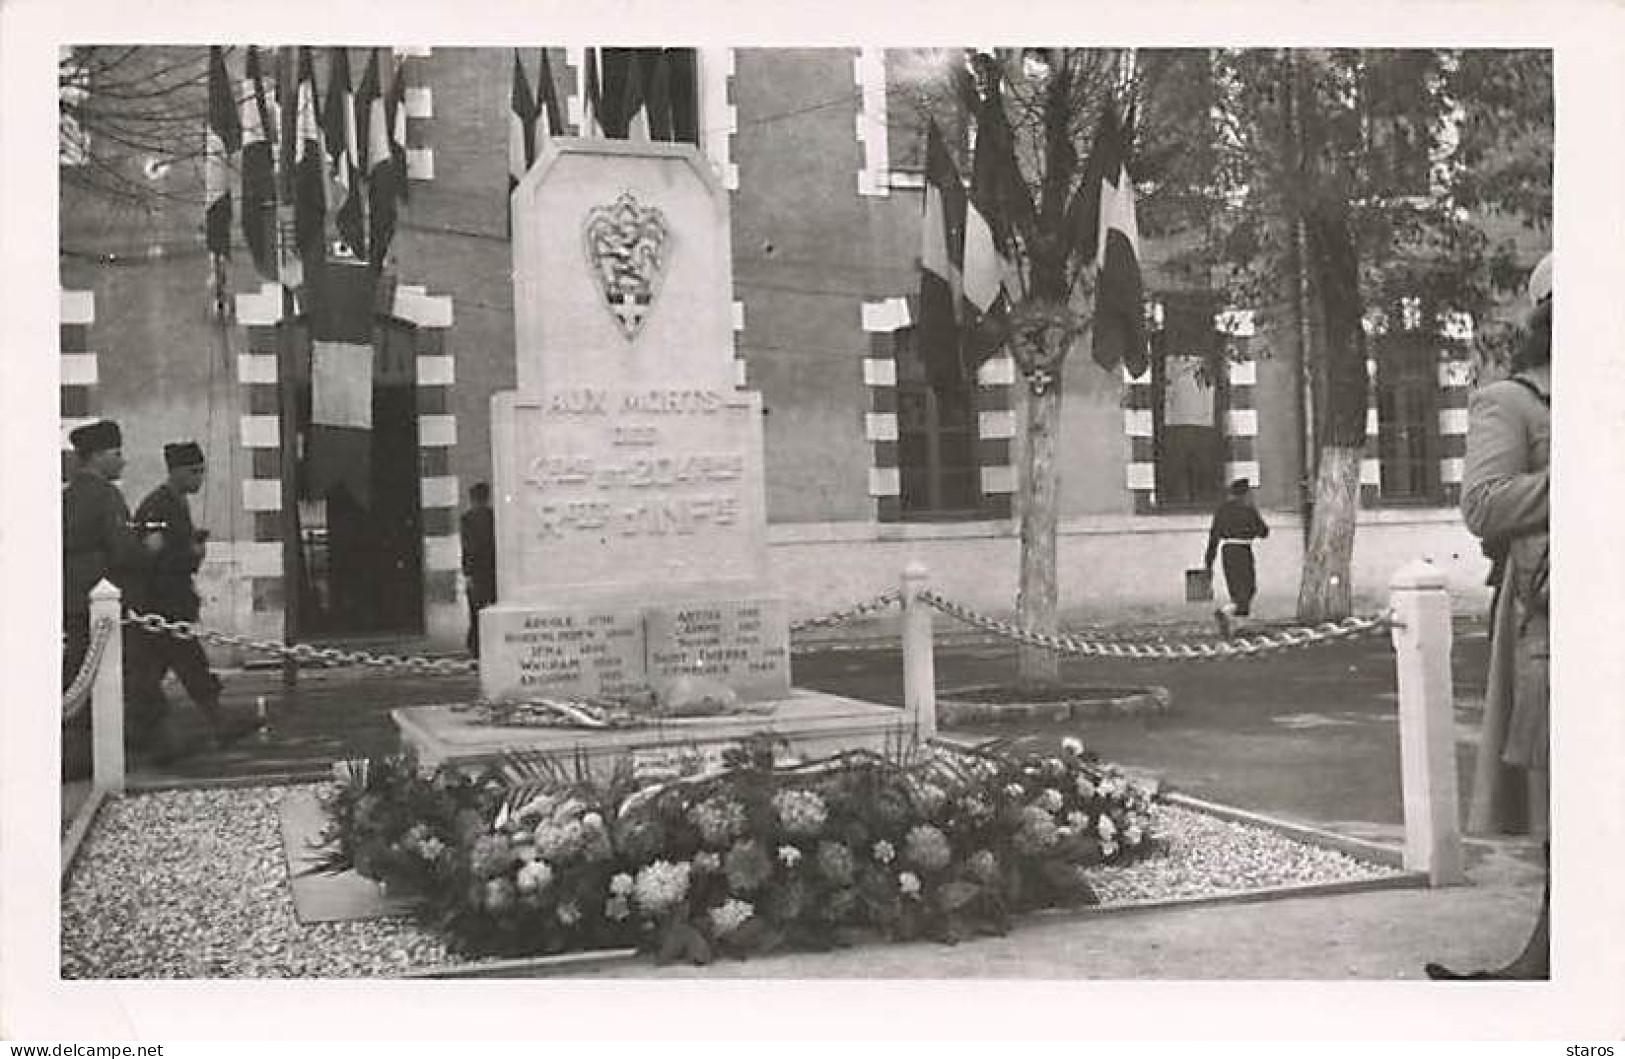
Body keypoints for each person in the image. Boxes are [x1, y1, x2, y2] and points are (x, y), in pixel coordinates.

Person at [1426, 251, 1551, 981]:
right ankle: (1547, 963)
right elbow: (1483, 503)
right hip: (1554, 617)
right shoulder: (1510, 400)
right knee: (1567, 788)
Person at [125, 441, 258, 760]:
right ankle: (216, 721)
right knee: (187, 663)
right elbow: (153, 556)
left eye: (202, 471)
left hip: (169, 603)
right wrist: (191, 552)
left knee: (155, 672)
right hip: (161, 604)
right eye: (194, 472)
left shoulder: (176, 502)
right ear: (176, 472)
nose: (200, 479)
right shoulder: (158, 506)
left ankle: (139, 733)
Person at [61, 419, 161, 777]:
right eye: (117, 454)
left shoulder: (68, 495)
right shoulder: (107, 495)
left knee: (75, 675)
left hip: (71, 600)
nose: (123, 462)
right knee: (113, 677)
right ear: (99, 456)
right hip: (102, 605)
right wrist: (147, 549)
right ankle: (103, 755)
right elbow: (122, 552)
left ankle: (75, 753)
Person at [1203, 478, 1270, 637]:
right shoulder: (1248, 509)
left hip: (1227, 550)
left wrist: (1209, 561)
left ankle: (1239, 625)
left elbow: (1214, 536)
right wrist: (1252, 528)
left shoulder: (1222, 510)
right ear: (1245, 493)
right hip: (1243, 549)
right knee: (1249, 587)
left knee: (1236, 587)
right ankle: (1227, 613)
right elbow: (1264, 532)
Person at [459, 481, 497, 658]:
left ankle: (476, 647)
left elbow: (468, 548)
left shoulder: (467, 518)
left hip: (477, 572)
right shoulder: (493, 516)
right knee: (491, 606)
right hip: (492, 570)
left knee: (475, 611)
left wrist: (467, 572)